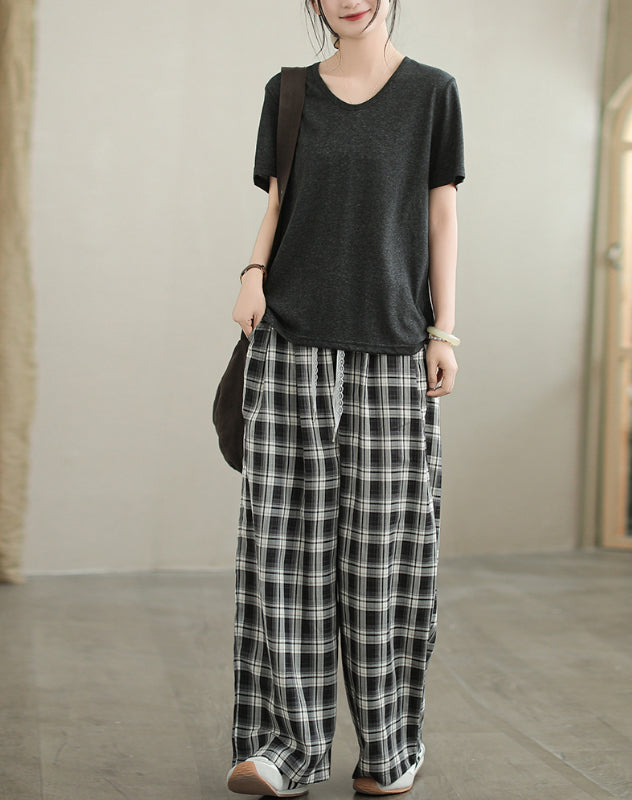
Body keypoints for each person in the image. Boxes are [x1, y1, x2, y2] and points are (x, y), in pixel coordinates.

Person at [226, 0, 464, 796]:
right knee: (283, 553)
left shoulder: (432, 92)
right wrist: (252, 274)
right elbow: (277, 203)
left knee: (384, 561)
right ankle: (286, 750)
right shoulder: (289, 91)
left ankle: (390, 748)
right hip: (290, 339)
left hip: (394, 348)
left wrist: (444, 330)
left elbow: (442, 215)